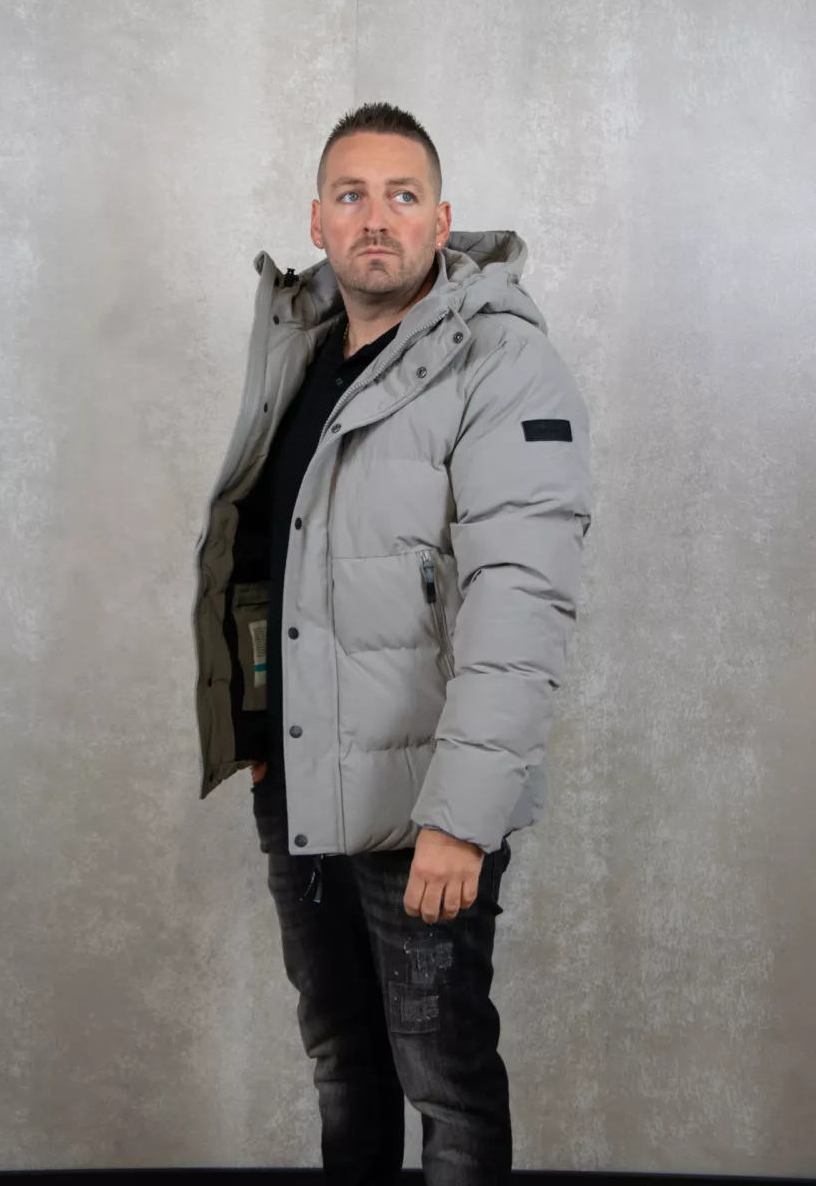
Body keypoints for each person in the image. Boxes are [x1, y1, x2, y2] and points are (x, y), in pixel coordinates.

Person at [192, 101, 592, 1184]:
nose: (377, 217)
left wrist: (459, 821)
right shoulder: (302, 359)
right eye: (352, 195)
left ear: (441, 221)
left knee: (444, 1083)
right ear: (317, 220)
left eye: (402, 195)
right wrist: (261, 730)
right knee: (343, 1069)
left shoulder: (500, 364)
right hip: (300, 783)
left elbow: (519, 609)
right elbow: (268, 564)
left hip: (422, 807)